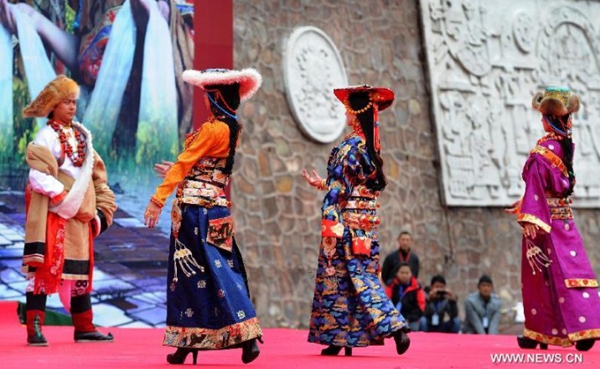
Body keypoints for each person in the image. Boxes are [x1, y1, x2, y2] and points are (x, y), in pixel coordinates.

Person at [143, 68, 263, 365]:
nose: (206, 101)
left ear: (216, 97)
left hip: (196, 212)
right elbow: (204, 167)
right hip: (218, 208)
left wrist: (157, 199)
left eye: (208, 96)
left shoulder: (212, 129)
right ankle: (244, 337)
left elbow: (186, 163)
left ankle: (189, 341)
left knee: (189, 275)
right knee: (223, 271)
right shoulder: (232, 127)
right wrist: (180, 169)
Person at [303, 85, 410, 357]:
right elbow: (353, 183)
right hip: (364, 223)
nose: (346, 111)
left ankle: (394, 326)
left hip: (346, 221)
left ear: (356, 110)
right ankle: (340, 338)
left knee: (342, 276)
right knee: (357, 277)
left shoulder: (352, 146)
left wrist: (329, 218)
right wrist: (324, 183)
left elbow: (342, 187)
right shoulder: (368, 145)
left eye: (349, 107)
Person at [21, 75, 117, 346]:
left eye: (74, 102)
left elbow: (96, 175)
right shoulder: (46, 136)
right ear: (52, 106)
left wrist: (96, 207)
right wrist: (63, 197)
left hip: (79, 217)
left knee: (79, 274)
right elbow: (37, 177)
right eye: (66, 102)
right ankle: (34, 329)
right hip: (54, 216)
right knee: (43, 271)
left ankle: (84, 327)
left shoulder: (81, 135)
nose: (72, 107)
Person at [507, 87, 600, 351]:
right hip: (564, 222)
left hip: (543, 224)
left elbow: (537, 192)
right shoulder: (564, 148)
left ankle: (539, 333)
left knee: (539, 277)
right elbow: (558, 189)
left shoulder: (541, 153)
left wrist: (528, 221)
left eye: (542, 118)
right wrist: (526, 202)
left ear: (548, 119)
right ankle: (585, 326)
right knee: (573, 270)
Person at [385, 263, 425, 332]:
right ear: (397, 273)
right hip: (393, 319)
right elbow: (386, 303)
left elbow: (421, 307)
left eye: (407, 273)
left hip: (411, 319)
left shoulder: (417, 287)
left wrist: (408, 319)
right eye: (402, 272)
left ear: (411, 274)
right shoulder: (391, 285)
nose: (404, 275)